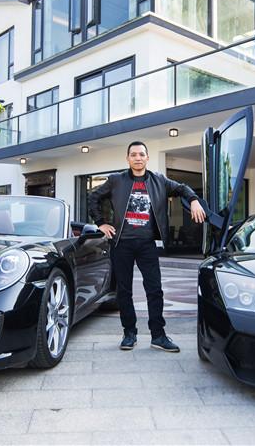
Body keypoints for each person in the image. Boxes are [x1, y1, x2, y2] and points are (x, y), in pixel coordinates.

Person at [88, 141, 206, 352]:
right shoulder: (116, 180)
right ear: (128, 158)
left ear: (147, 158)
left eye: (141, 154)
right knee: (124, 291)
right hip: (122, 243)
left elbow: (182, 188)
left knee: (154, 290)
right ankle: (129, 334)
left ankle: (158, 336)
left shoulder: (159, 180)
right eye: (133, 154)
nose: (138, 158)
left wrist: (194, 200)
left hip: (147, 244)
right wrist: (101, 223)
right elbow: (93, 197)